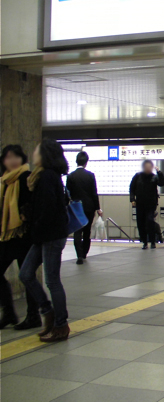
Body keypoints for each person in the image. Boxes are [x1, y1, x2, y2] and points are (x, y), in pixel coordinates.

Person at [19, 139, 70, 342]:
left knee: (52, 280)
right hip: (44, 235)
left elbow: (48, 208)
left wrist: (36, 225)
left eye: (37, 150)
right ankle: (48, 312)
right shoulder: (43, 176)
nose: (33, 153)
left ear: (45, 155)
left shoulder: (48, 176)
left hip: (50, 236)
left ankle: (61, 325)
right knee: (25, 274)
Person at [0, 145, 41, 331]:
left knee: (27, 276)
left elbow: (35, 203)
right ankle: (8, 312)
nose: (12, 161)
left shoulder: (27, 177)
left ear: (22, 158)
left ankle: (33, 316)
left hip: (24, 236)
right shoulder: (4, 181)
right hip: (7, 237)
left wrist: (26, 214)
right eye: (8, 157)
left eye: (16, 156)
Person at [66, 152, 102, 264]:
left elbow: (67, 193)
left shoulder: (71, 176)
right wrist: (98, 208)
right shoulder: (90, 175)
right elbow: (94, 193)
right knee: (87, 231)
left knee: (77, 231)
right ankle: (84, 253)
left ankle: (79, 255)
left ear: (76, 161)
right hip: (89, 208)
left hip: (76, 208)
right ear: (86, 162)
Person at [130, 160, 164, 250]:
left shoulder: (154, 177)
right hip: (140, 203)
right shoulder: (137, 176)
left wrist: (159, 172)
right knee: (141, 223)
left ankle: (153, 241)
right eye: (146, 167)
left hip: (151, 204)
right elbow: (132, 188)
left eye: (149, 167)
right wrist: (132, 199)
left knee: (150, 221)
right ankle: (144, 242)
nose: (147, 168)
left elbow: (162, 183)